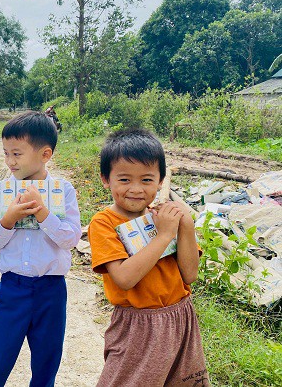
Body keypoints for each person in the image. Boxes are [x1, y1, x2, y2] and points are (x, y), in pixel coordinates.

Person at [88, 128, 208, 387]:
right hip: (137, 327)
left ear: (160, 181)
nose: (135, 189)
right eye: (124, 180)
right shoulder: (104, 223)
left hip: (181, 318)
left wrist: (185, 225)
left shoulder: (164, 216)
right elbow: (124, 278)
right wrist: (163, 236)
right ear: (105, 179)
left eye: (146, 180)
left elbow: (190, 275)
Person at [0, 111, 82, 387]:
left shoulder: (63, 190)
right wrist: (8, 219)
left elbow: (71, 239)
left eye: (17, 154)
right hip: (12, 289)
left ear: (45, 154)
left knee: (46, 362)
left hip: (51, 291)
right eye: (6, 153)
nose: (10, 162)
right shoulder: (1, 190)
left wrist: (45, 214)